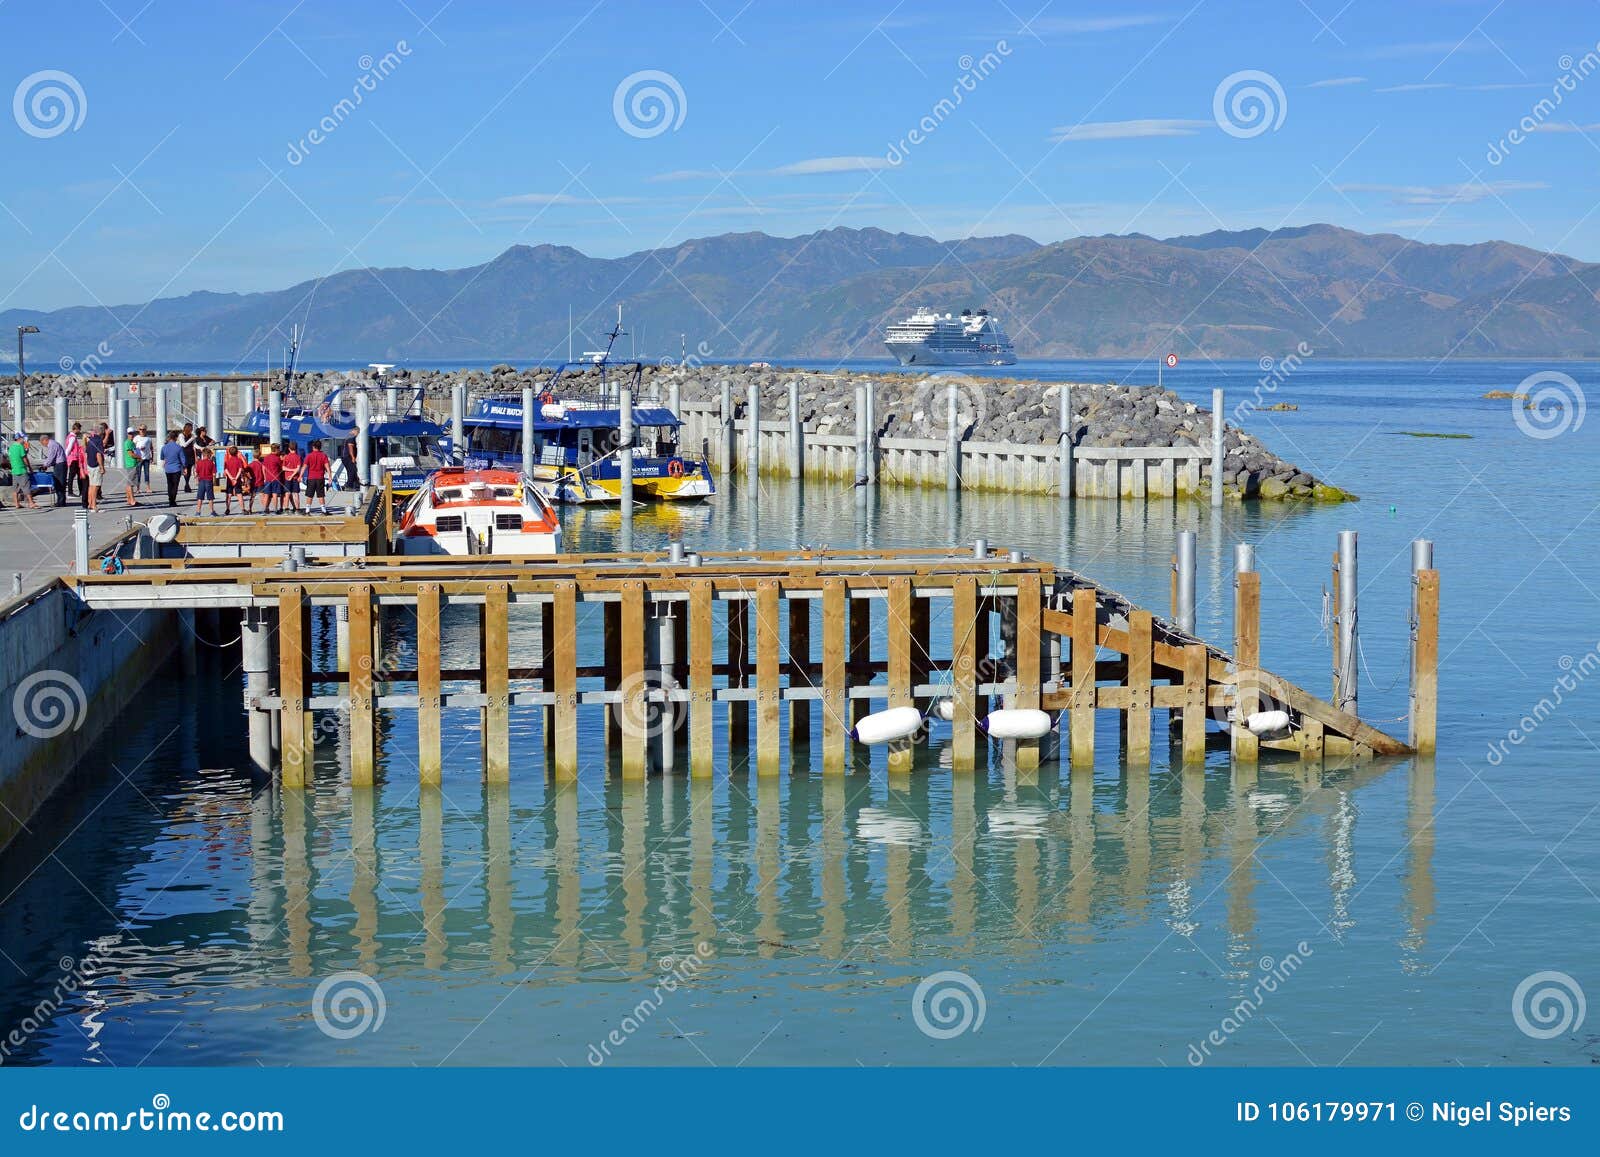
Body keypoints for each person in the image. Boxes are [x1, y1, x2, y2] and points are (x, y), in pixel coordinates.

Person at [7, 433, 37, 511]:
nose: (24, 440)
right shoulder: (20, 446)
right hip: (21, 469)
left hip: (14, 470)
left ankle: (16, 504)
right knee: (26, 487)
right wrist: (30, 468)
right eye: (22, 438)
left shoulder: (11, 447)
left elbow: (10, 459)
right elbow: (25, 459)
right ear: (19, 439)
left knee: (15, 488)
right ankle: (31, 503)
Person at [303, 439, 331, 515]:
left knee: (309, 495)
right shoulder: (323, 455)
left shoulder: (309, 455)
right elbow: (328, 467)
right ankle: (324, 510)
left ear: (313, 447)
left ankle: (307, 511)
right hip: (320, 478)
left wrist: (300, 476)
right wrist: (330, 477)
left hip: (311, 478)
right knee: (321, 495)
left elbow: (304, 467)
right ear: (320, 447)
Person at [40, 432, 66, 507]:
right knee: (58, 483)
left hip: (60, 465)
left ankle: (61, 502)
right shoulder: (53, 443)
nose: (43, 445)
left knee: (59, 483)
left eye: (42, 443)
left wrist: (45, 465)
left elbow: (51, 457)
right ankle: (60, 501)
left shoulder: (52, 445)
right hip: (59, 464)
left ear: (45, 440)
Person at [159, 431, 185, 507]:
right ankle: (173, 500)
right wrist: (184, 467)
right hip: (176, 468)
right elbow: (183, 459)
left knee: (170, 485)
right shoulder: (179, 447)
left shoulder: (164, 447)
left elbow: (162, 457)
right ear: (176, 438)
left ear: (169, 437)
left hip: (168, 469)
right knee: (175, 485)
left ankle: (170, 499)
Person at [83, 425, 104, 512]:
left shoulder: (90, 440)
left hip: (89, 464)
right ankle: (94, 505)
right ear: (101, 432)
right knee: (96, 486)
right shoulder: (99, 440)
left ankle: (90, 503)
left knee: (91, 486)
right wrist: (102, 467)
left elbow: (86, 451)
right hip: (96, 465)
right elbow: (98, 454)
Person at [193, 441, 218, 515]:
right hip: (209, 481)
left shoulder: (199, 463)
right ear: (209, 455)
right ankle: (212, 511)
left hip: (201, 481)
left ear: (203, 455)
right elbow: (214, 474)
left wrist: (196, 480)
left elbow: (196, 473)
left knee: (200, 497)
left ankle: (198, 512)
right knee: (210, 497)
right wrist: (213, 482)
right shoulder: (211, 463)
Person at [222, 444, 246, 515]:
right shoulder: (239, 460)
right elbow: (240, 469)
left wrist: (231, 478)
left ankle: (227, 509)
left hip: (230, 480)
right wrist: (236, 478)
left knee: (229, 494)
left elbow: (226, 470)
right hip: (237, 479)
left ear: (229, 453)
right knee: (239, 494)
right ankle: (242, 509)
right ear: (237, 452)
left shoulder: (227, 461)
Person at [119, 426, 139, 507]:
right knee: (130, 483)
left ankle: (129, 499)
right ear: (127, 434)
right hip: (131, 464)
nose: (131, 435)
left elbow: (134, 451)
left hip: (133, 463)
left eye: (132, 433)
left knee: (129, 483)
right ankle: (132, 500)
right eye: (130, 433)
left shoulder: (132, 443)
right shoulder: (127, 442)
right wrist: (139, 457)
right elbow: (130, 454)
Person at [281, 442, 302, 514]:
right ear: (296, 448)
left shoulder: (286, 457)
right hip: (295, 478)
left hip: (287, 477)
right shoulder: (298, 457)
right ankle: (297, 509)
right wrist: (293, 472)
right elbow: (298, 469)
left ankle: (286, 509)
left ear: (289, 448)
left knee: (287, 494)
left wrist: (290, 475)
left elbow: (283, 468)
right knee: (296, 494)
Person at [133, 425, 153, 495]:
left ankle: (148, 488)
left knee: (147, 473)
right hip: (139, 458)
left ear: (146, 430)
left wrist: (152, 457)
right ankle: (138, 488)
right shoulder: (136, 438)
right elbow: (133, 448)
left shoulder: (148, 438)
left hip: (146, 458)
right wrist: (139, 449)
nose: (142, 431)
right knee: (138, 473)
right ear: (139, 430)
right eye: (140, 429)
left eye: (143, 429)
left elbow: (151, 448)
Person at [63, 423, 82, 498]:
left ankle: (81, 491)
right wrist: (65, 457)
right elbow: (69, 449)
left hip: (73, 459)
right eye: (79, 429)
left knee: (78, 475)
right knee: (72, 475)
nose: (80, 431)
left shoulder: (69, 436)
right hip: (73, 459)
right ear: (76, 429)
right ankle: (70, 492)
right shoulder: (73, 438)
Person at [246, 446, 266, 514]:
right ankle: (265, 508)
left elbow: (246, 472)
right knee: (262, 496)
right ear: (259, 455)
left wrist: (249, 478)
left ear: (253, 456)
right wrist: (265, 479)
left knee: (252, 496)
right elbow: (264, 472)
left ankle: (250, 509)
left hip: (253, 482)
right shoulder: (261, 464)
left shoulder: (250, 465)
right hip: (260, 481)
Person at [178, 422, 196, 493]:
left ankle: (187, 484)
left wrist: (202, 448)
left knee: (189, 470)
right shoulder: (181, 435)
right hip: (184, 453)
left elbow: (194, 445)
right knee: (185, 469)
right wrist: (191, 439)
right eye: (191, 429)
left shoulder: (192, 435)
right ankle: (187, 485)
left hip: (190, 454)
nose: (192, 430)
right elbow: (184, 445)